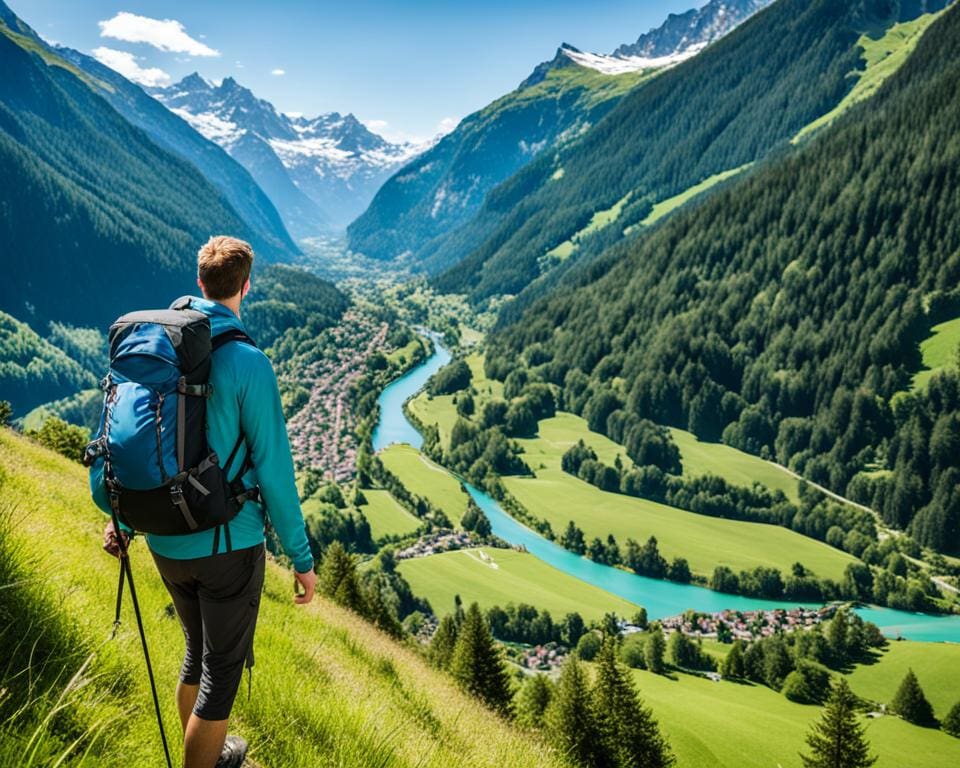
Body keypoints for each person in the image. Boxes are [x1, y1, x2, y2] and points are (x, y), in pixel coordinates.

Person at [96, 235, 316, 768]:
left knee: (196, 653)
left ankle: (207, 755)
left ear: (199, 283)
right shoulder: (248, 362)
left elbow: (120, 442)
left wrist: (121, 520)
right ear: (245, 285)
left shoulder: (155, 346)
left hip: (163, 538)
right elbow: (275, 471)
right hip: (228, 543)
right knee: (222, 676)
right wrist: (301, 560)